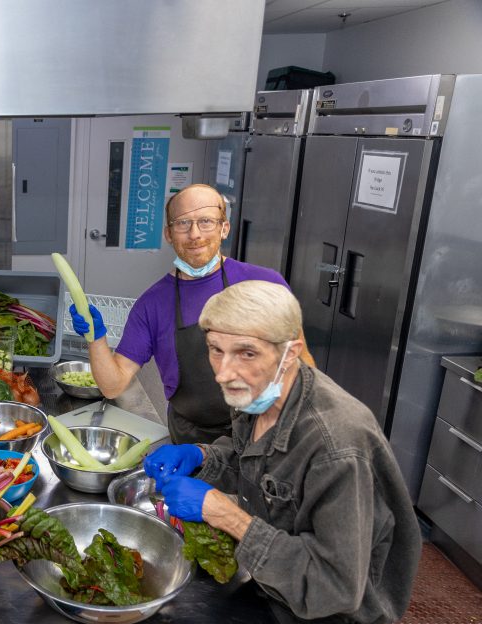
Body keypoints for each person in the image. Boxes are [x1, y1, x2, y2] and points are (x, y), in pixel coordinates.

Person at [146, 280, 420, 624]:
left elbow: (335, 586)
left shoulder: (337, 447)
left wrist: (226, 515)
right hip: (269, 586)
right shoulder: (260, 394)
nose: (224, 372)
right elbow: (254, 461)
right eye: (215, 350)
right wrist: (204, 456)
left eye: (246, 353)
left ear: (289, 353)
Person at [69, 183, 313, 444]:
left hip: (265, 432)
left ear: (224, 228)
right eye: (183, 223)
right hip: (191, 439)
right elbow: (113, 385)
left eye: (206, 221)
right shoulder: (152, 304)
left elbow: (303, 364)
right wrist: (96, 339)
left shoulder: (266, 283)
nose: (195, 234)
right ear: (168, 234)